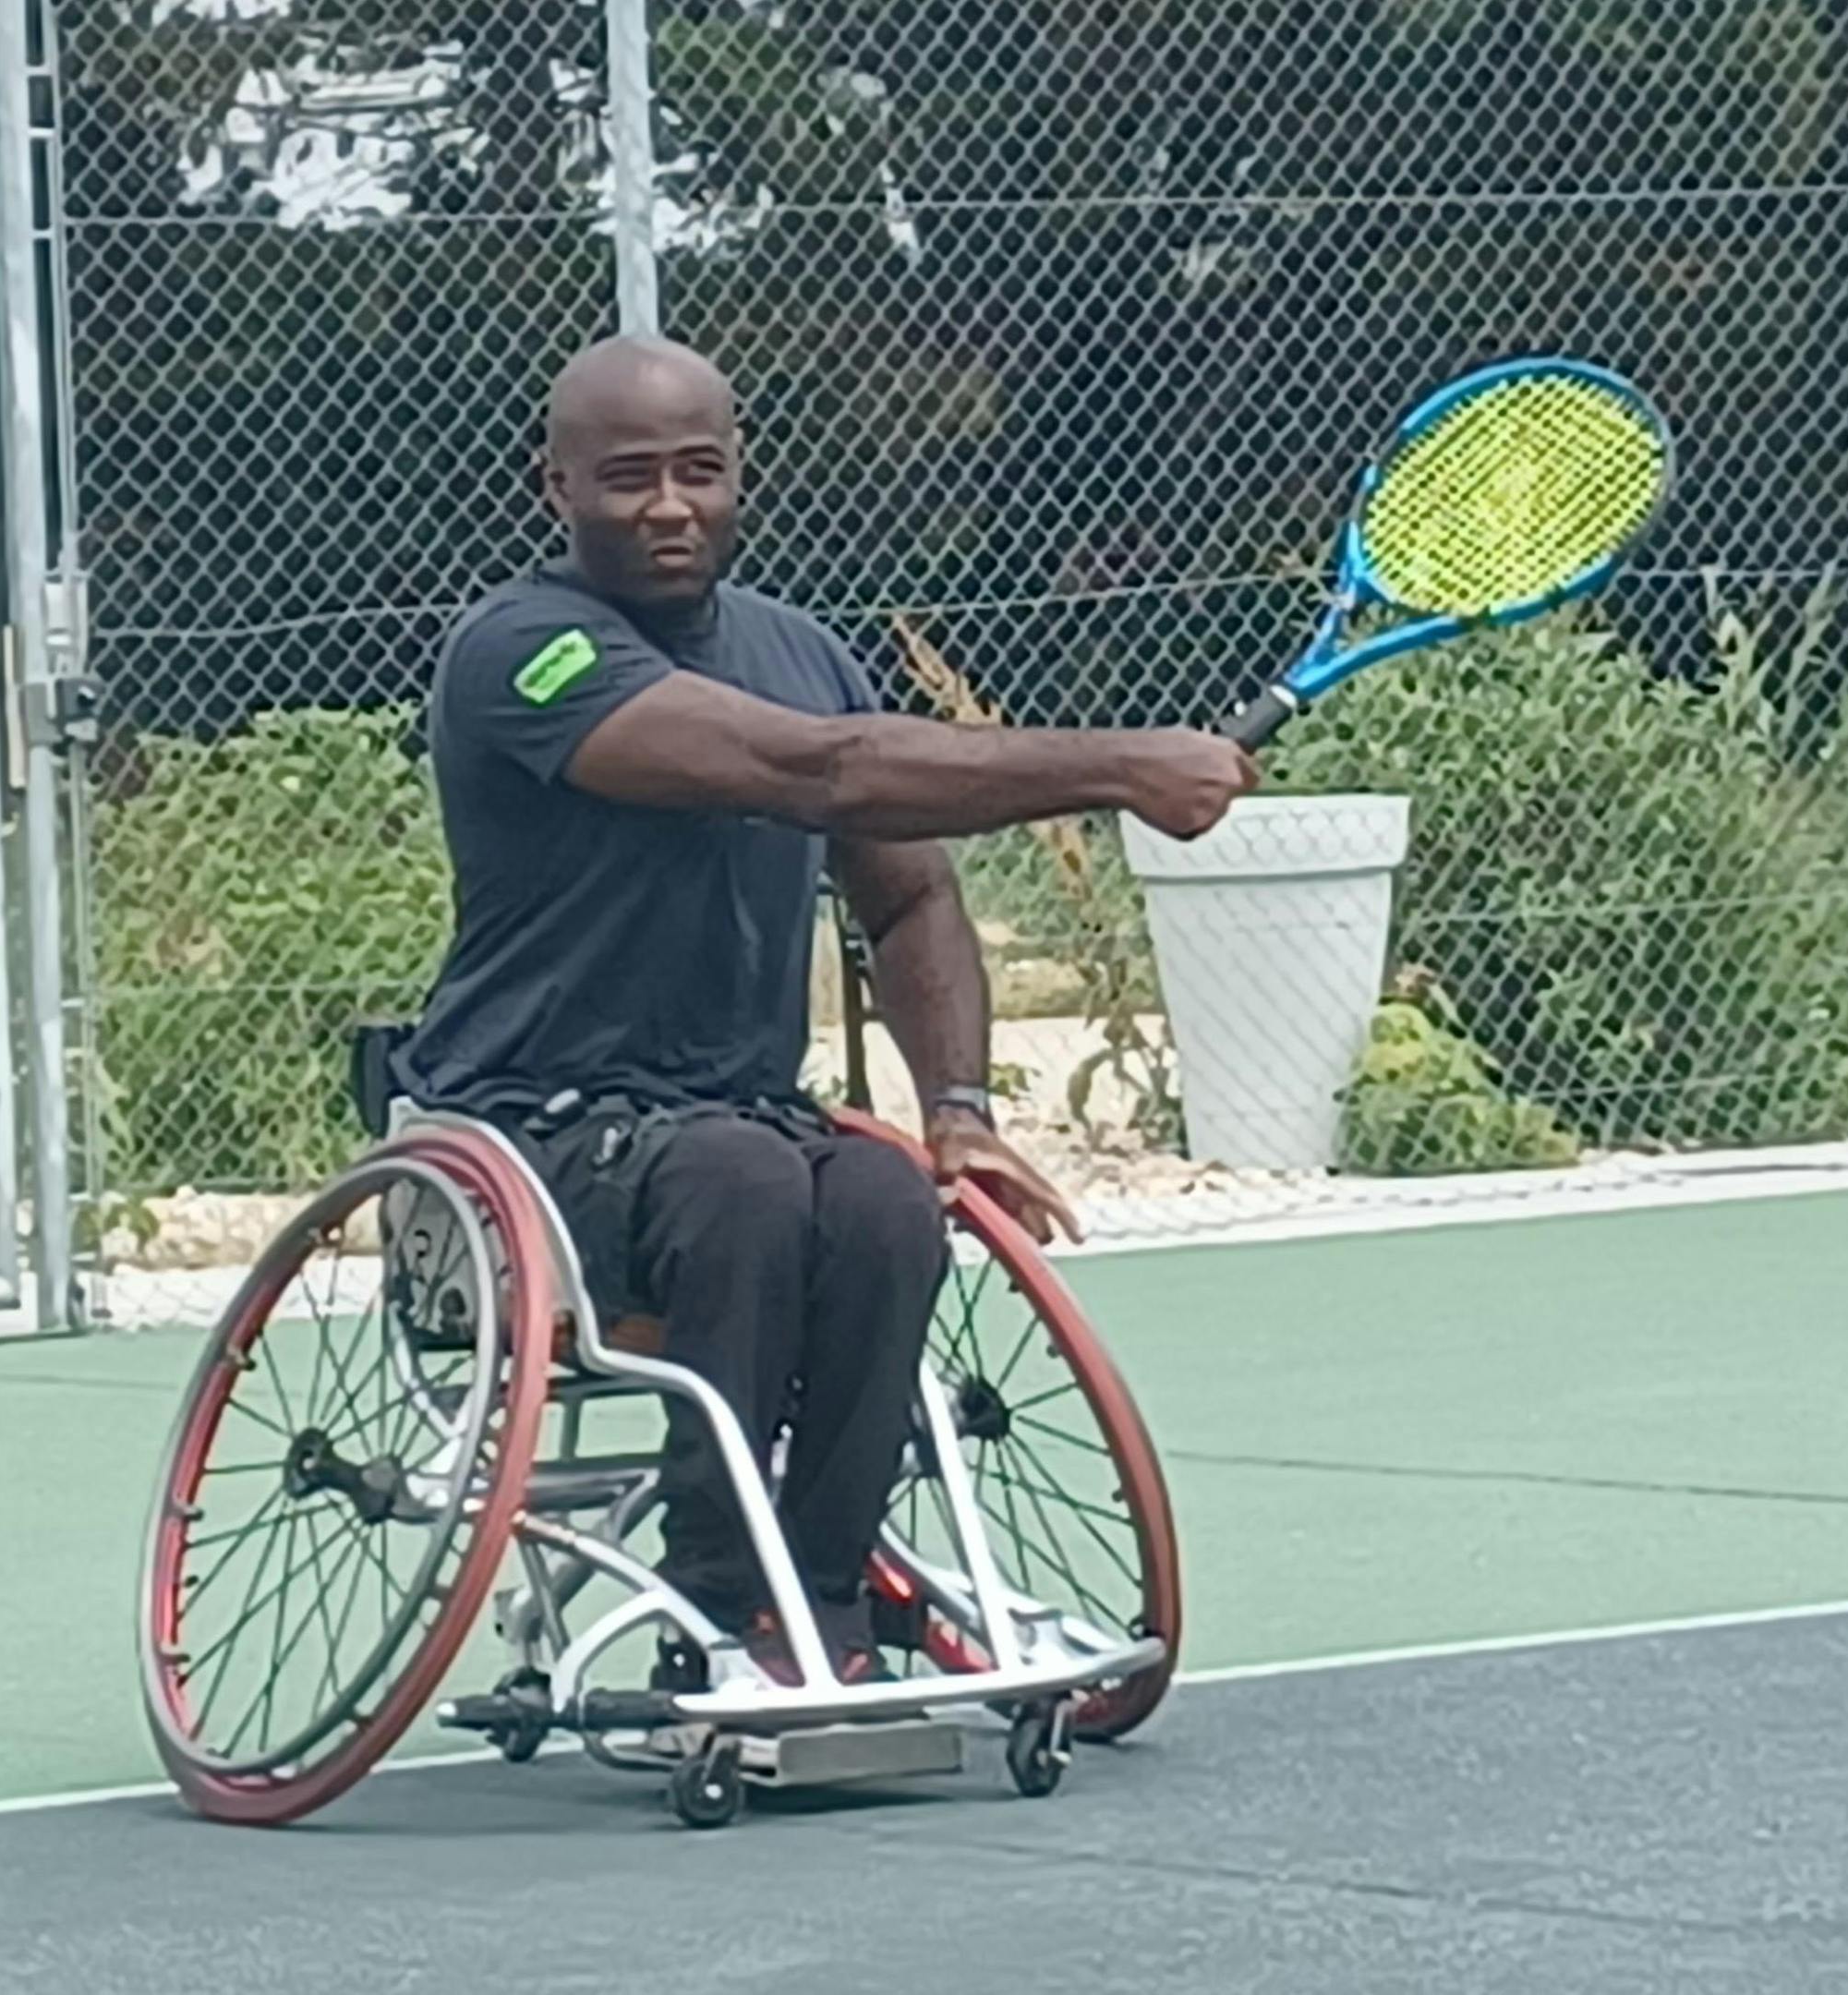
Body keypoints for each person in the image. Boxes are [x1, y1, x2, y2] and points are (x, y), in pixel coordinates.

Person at [394, 334, 1257, 1687]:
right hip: (530, 1132)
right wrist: (1119, 767)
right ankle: (720, 1609)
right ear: (552, 487)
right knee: (740, 1180)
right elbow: (817, 771)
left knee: (879, 1197)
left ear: (744, 476)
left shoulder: (801, 647)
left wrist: (959, 1111)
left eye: (700, 471)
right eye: (627, 479)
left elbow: (909, 900)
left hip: (732, 1113)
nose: (669, 505)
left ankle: (828, 1607)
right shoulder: (524, 651)